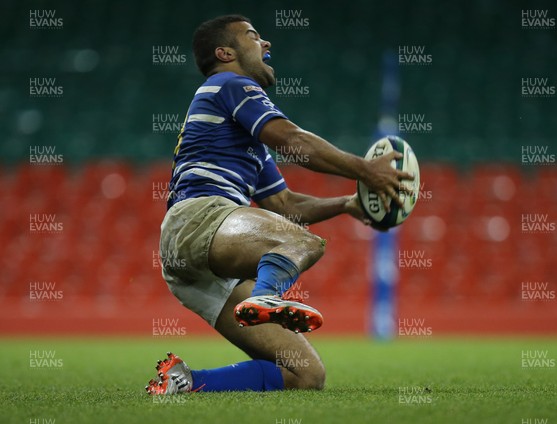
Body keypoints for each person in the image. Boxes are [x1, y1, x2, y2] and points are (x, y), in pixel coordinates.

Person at [146, 14, 413, 395]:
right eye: (253, 36)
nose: (266, 43)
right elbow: (293, 140)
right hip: (200, 219)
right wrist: (365, 169)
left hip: (196, 258)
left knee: (304, 375)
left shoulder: (246, 140)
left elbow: (285, 204)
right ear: (225, 53)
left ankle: (185, 381)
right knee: (302, 242)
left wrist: (348, 203)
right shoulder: (229, 83)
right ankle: (264, 296)